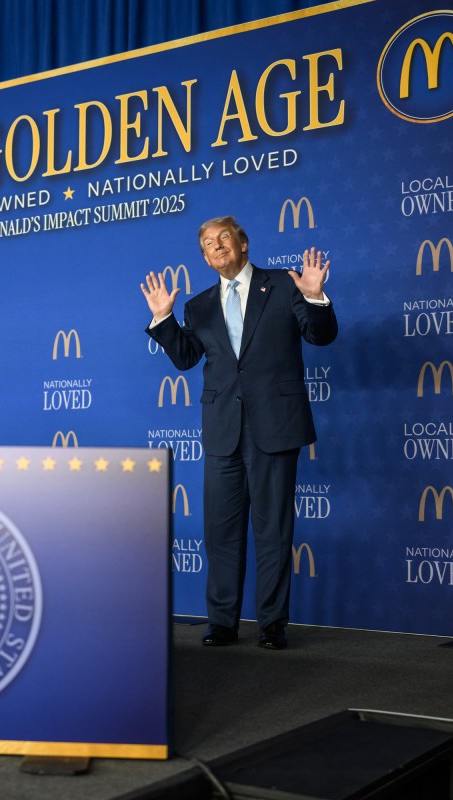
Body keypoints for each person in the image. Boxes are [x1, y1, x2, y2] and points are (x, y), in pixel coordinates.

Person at [141, 215, 337, 649]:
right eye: (208, 244)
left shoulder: (284, 285)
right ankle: (222, 623)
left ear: (243, 243)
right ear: (205, 257)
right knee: (221, 533)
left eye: (223, 238)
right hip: (222, 431)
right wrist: (164, 320)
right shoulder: (200, 305)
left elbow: (320, 336)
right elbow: (186, 358)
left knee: (273, 531)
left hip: (275, 425)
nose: (216, 247)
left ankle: (271, 623)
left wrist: (316, 297)